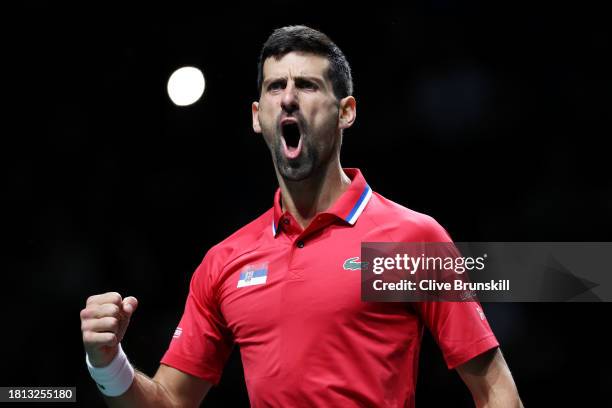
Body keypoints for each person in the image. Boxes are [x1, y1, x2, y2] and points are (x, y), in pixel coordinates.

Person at [80, 25, 523, 407]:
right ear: (258, 117)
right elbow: (172, 400)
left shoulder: (410, 238)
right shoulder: (224, 262)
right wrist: (108, 363)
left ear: (345, 112)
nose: (288, 98)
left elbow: (495, 391)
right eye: (275, 87)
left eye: (307, 85)